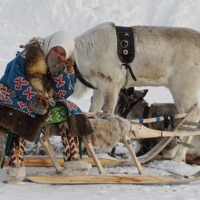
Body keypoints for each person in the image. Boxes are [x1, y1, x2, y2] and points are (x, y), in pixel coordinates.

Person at [0, 31, 93, 179]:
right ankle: (15, 162)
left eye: (62, 53)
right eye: (55, 49)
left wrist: (58, 72)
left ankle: (73, 158)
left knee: (71, 110)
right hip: (12, 94)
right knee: (26, 113)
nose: (58, 55)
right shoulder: (28, 56)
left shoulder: (67, 66)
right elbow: (15, 79)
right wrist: (32, 97)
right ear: (49, 44)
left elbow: (65, 92)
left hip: (45, 99)